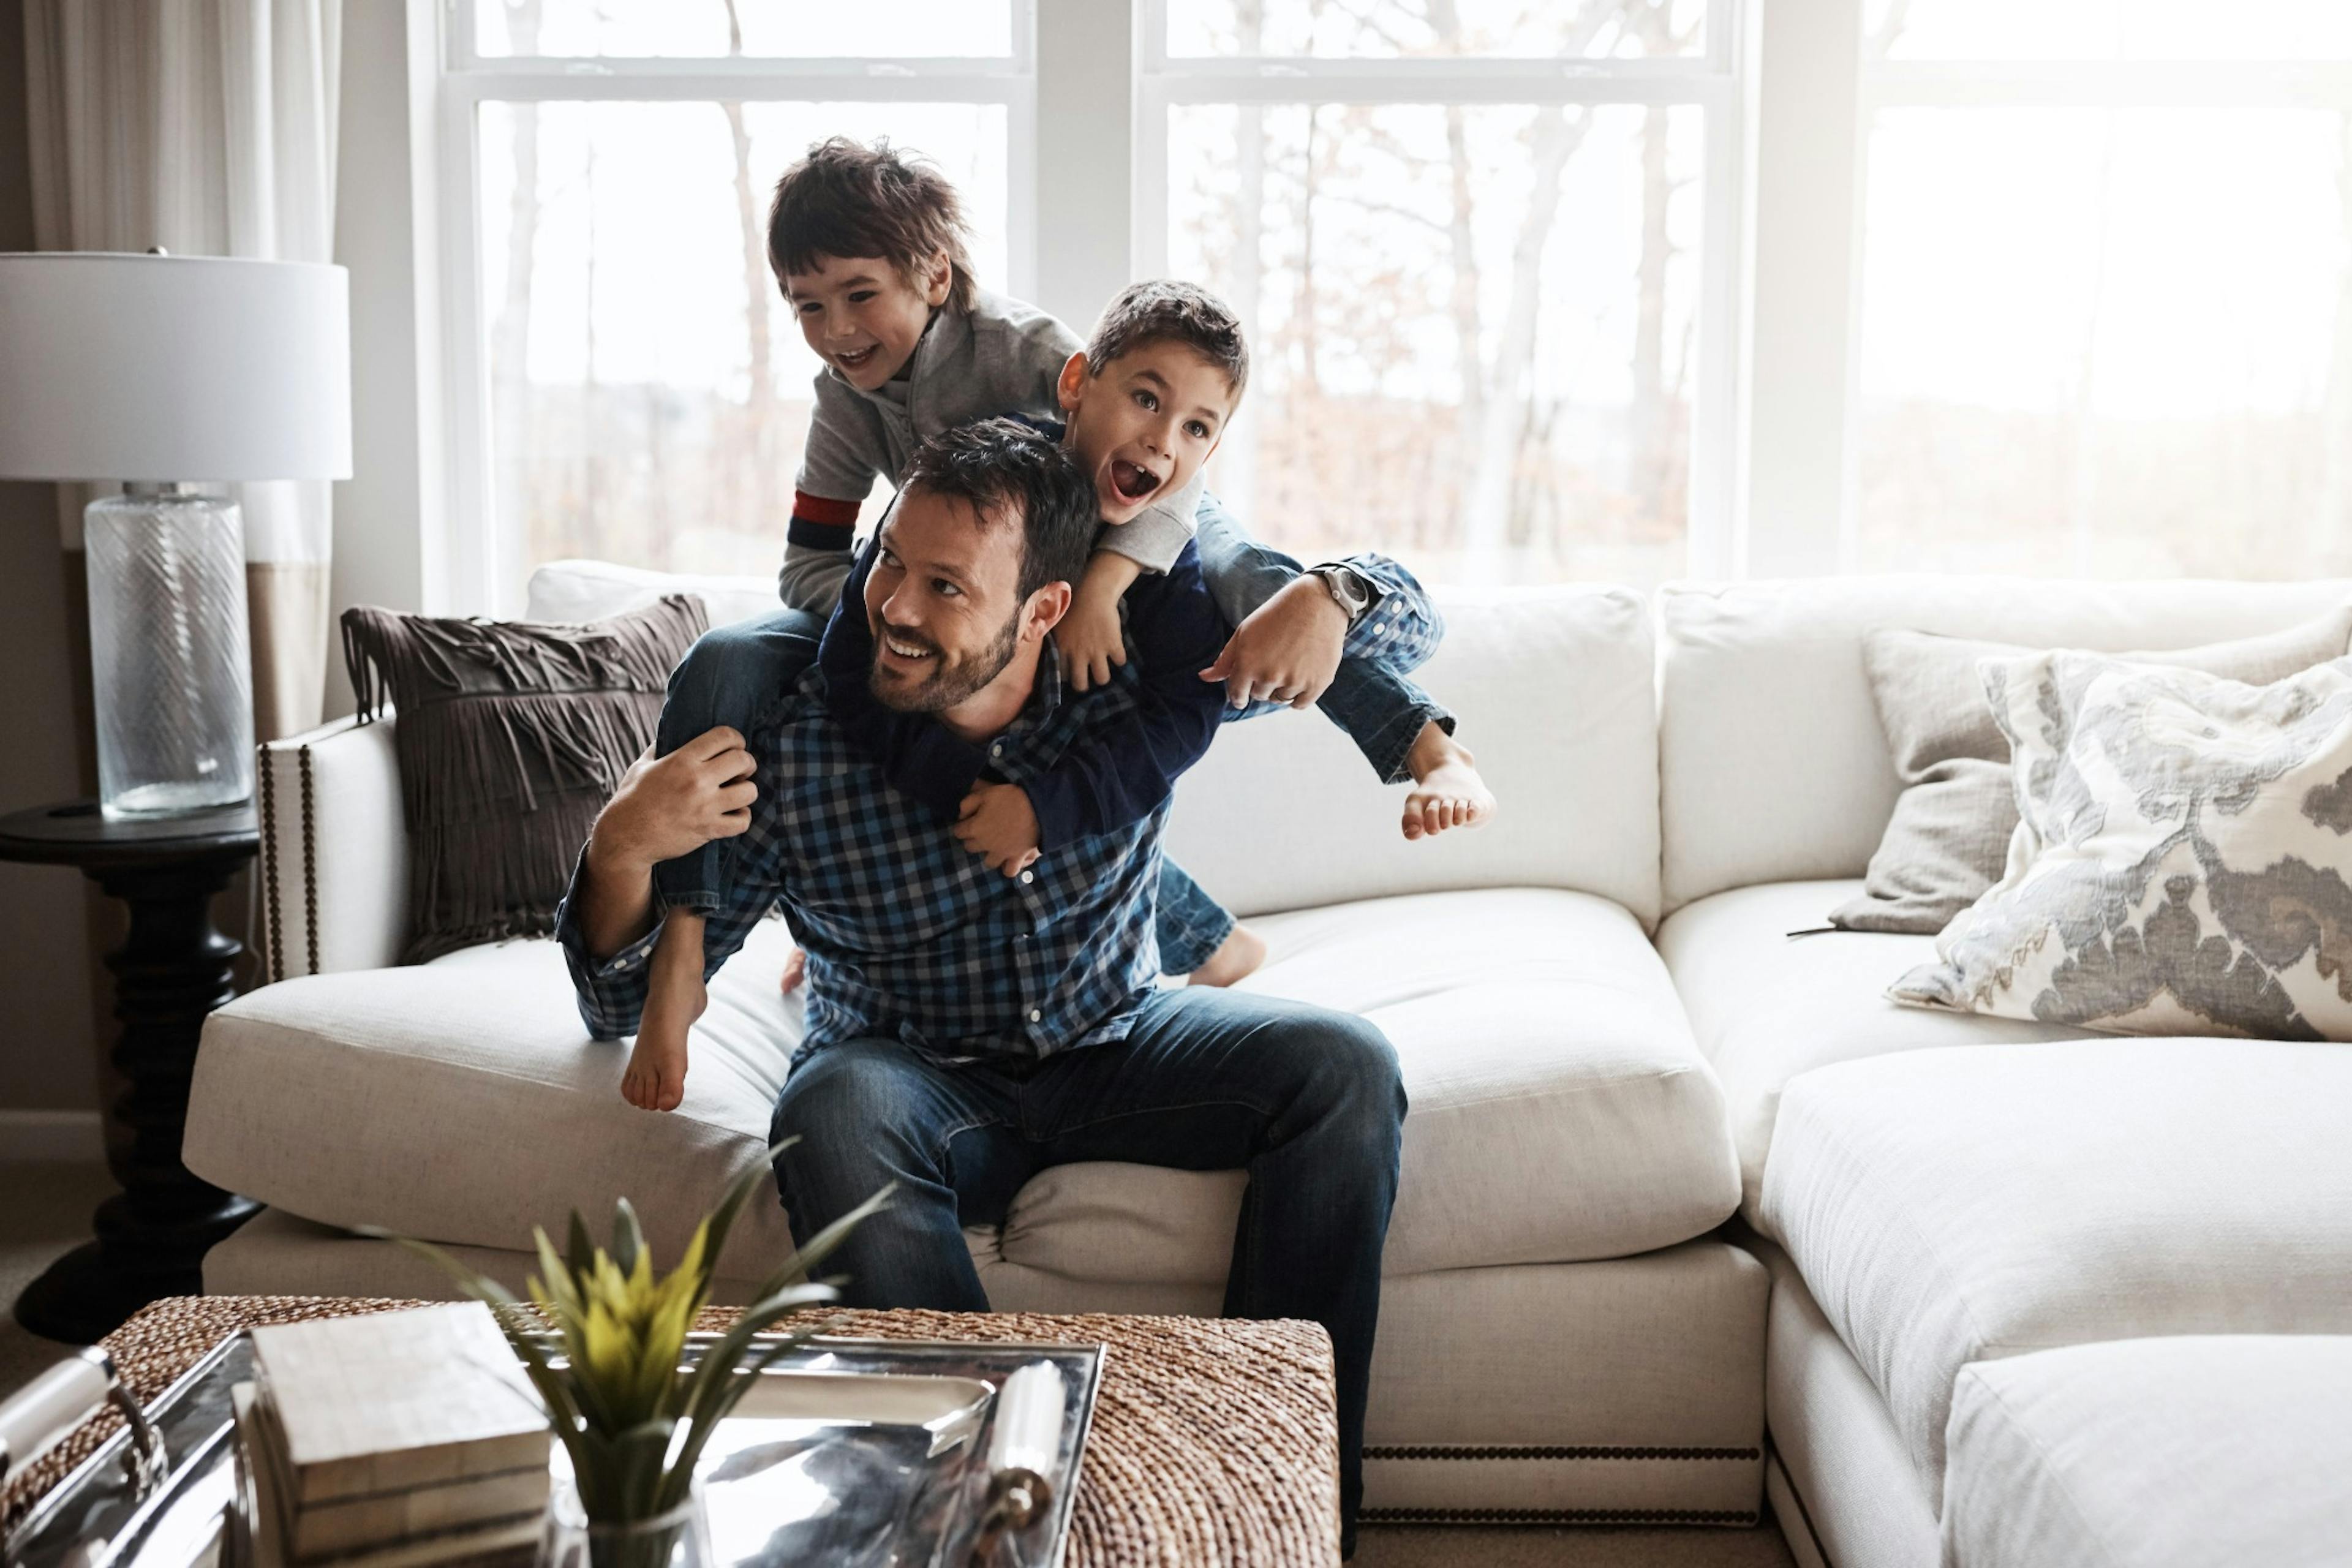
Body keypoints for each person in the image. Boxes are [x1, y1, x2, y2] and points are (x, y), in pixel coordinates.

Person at [559, 420, 1406, 1553]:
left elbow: (1406, 636)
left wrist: (1335, 594)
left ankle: (1276, 1488)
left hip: (1121, 1037)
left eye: (947, 587)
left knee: (1346, 1067)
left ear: (1045, 608)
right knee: (831, 1109)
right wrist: (620, 846)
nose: (897, 608)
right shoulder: (799, 742)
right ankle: (985, 1523)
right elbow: (620, 1010)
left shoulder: (1129, 680)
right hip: (912, 1077)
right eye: (890, 564)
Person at [625, 137, 1491, 1104]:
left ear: (936, 276)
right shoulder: (846, 403)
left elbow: (1150, 470)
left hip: (1134, 546)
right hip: (964, 606)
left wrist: (1112, 586)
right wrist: (905, 614)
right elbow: (809, 564)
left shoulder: (1030, 358)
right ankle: (690, 944)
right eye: (808, 306)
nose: (837, 328)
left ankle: (1426, 748)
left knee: (1256, 595)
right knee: (730, 657)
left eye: (860, 295)